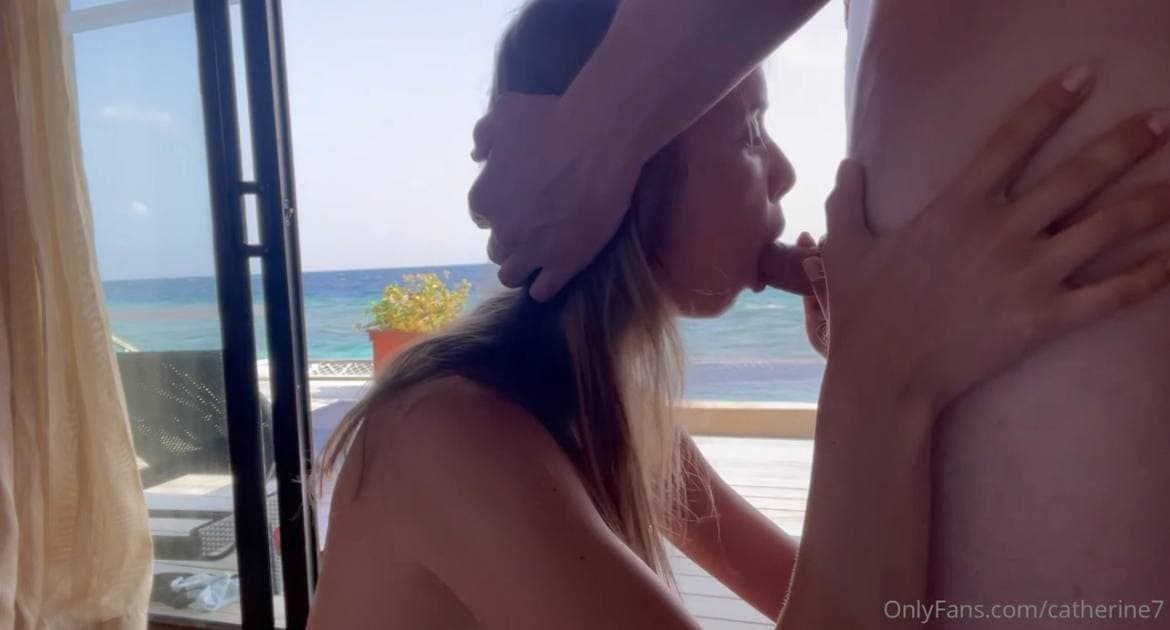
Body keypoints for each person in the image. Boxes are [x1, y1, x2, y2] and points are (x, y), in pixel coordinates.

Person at [308, 1, 1170, 628]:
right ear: (633, 178)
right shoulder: (443, 436)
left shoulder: (606, 414)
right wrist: (881, 381)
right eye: (752, 132)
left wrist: (880, 369)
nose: (786, 171)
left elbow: (841, 595)